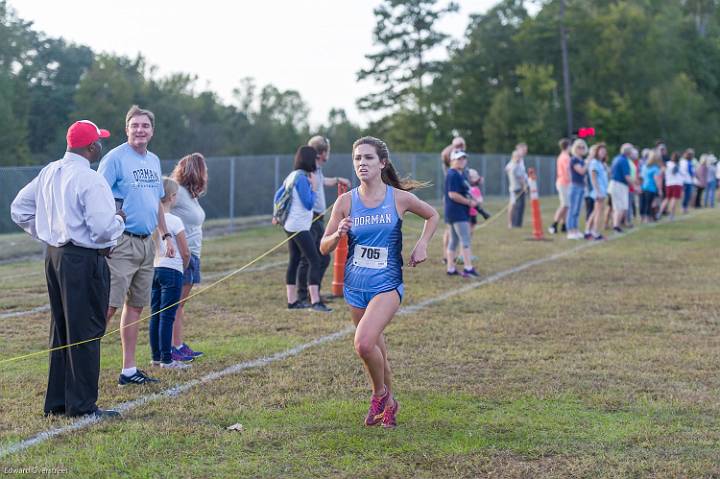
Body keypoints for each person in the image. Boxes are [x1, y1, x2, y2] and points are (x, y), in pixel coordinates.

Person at [320, 136, 439, 429]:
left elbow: (432, 214)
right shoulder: (345, 202)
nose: (362, 163)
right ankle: (392, 403)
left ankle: (379, 394)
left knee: (363, 344)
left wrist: (422, 244)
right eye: (358, 158)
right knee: (378, 353)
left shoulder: (398, 197)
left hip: (387, 284)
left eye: (368, 158)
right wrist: (338, 236)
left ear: (382, 163)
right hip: (355, 286)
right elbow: (324, 246)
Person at [11, 120, 124, 418]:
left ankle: (58, 402)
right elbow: (101, 230)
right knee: (86, 330)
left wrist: (49, 233)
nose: (100, 145)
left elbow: (19, 209)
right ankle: (83, 406)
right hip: (83, 259)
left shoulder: (50, 171)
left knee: (61, 329)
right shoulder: (90, 179)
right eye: (98, 141)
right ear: (91, 147)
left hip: (54, 257)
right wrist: (120, 221)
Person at [99, 105, 173, 386]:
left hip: (146, 244)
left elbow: (156, 202)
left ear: (152, 131)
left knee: (136, 307)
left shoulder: (153, 160)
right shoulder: (115, 158)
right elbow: (98, 197)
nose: (140, 130)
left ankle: (128, 370)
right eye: (135, 125)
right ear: (126, 129)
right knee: (108, 307)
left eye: (145, 126)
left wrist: (164, 235)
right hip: (121, 243)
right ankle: (82, 370)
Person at [296, 136, 351, 305]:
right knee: (309, 258)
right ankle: (304, 295)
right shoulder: (310, 169)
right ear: (322, 153)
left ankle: (314, 292)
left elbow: (321, 183)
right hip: (311, 219)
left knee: (322, 257)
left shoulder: (317, 169)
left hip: (318, 219)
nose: (329, 154)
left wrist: (336, 180)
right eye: (328, 151)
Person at [282, 146, 332, 312]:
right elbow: (308, 203)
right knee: (315, 260)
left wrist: (277, 215)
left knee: (295, 260)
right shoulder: (303, 178)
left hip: (290, 224)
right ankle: (316, 301)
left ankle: (292, 301)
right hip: (300, 226)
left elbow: (278, 195)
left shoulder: (291, 176)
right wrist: (315, 187)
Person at [170, 153, 208, 360]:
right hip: (181, 255)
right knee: (174, 304)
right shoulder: (177, 191)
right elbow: (160, 205)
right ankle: (170, 348)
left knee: (180, 305)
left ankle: (178, 344)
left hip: (193, 255)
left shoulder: (191, 195)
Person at [150, 177, 191, 369]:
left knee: (155, 314)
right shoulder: (174, 221)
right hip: (172, 270)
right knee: (167, 315)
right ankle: (167, 359)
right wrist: (184, 266)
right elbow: (185, 251)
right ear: (172, 197)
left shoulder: (152, 219)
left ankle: (156, 356)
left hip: (155, 269)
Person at [444, 150, 480, 277]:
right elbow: (452, 194)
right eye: (459, 159)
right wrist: (469, 202)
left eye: (464, 158)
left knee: (453, 241)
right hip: (457, 213)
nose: (462, 161)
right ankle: (468, 268)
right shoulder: (453, 174)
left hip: (456, 212)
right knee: (465, 240)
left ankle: (451, 268)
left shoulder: (460, 174)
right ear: (452, 160)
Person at [439, 137, 466, 261]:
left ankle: (461, 255)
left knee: (462, 230)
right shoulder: (449, 160)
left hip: (461, 199)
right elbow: (443, 154)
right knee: (450, 229)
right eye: (459, 145)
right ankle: (446, 256)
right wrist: (453, 144)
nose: (461, 146)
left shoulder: (462, 159)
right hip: (452, 200)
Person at [607, 143, 635, 233]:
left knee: (617, 206)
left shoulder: (617, 158)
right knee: (620, 206)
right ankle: (616, 225)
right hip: (619, 185)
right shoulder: (624, 160)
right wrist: (635, 186)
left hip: (615, 184)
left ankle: (616, 225)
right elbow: (627, 176)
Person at [566, 139, 588, 239]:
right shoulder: (574, 159)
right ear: (575, 148)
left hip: (581, 186)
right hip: (575, 186)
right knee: (572, 209)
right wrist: (588, 162)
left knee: (578, 210)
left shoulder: (581, 160)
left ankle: (576, 229)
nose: (581, 149)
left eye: (583, 147)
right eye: (579, 147)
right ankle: (570, 230)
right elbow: (581, 171)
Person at [586, 143, 609, 240]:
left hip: (602, 190)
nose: (603, 153)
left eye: (604, 151)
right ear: (596, 152)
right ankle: (595, 232)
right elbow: (593, 178)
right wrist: (598, 192)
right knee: (598, 212)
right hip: (598, 191)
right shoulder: (594, 162)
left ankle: (588, 231)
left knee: (595, 212)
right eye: (601, 151)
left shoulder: (600, 163)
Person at [549, 138, 571, 234]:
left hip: (563, 182)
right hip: (563, 182)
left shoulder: (563, 156)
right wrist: (571, 180)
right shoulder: (565, 157)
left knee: (567, 205)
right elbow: (567, 171)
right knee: (564, 204)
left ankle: (564, 225)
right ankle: (553, 225)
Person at [657, 151, 683, 220]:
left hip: (668, 184)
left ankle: (659, 213)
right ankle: (671, 215)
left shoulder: (667, 164)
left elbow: (660, 173)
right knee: (673, 199)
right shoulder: (677, 165)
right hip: (676, 184)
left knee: (667, 198)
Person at [639, 150, 663, 223]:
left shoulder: (644, 166)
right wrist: (659, 189)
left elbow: (641, 177)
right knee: (649, 204)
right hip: (651, 188)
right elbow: (657, 180)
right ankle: (647, 218)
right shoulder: (655, 168)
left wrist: (640, 186)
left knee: (643, 203)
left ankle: (642, 218)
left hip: (643, 187)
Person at [505, 150, 527, 228]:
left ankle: (513, 223)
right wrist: (524, 186)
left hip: (513, 188)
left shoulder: (511, 165)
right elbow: (520, 178)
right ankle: (515, 223)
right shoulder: (515, 166)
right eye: (517, 156)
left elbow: (506, 169)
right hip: (517, 189)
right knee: (518, 206)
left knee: (514, 205)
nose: (519, 158)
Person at [467, 168, 489, 232]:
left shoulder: (468, 188)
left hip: (469, 212)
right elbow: (480, 200)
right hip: (472, 212)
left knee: (470, 227)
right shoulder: (475, 189)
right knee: (471, 228)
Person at [679, 149, 695, 214]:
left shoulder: (688, 162)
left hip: (688, 181)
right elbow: (690, 172)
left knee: (687, 195)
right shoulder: (685, 162)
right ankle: (683, 207)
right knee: (686, 195)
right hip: (686, 181)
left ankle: (685, 207)